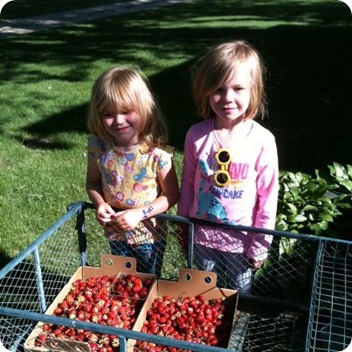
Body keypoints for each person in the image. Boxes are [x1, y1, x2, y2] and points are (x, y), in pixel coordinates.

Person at [178, 40, 279, 293]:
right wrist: (183, 226)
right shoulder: (196, 135)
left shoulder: (262, 141)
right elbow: (189, 183)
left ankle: (236, 332)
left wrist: (260, 244)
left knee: (240, 293)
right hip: (201, 236)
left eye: (238, 88)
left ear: (253, 90)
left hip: (241, 241)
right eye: (218, 89)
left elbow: (268, 197)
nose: (227, 98)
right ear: (206, 90)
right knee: (200, 292)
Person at [86, 66, 179, 276]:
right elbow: (92, 183)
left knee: (146, 282)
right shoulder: (98, 148)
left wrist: (139, 214)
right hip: (115, 231)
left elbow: (172, 195)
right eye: (108, 114)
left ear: (145, 109)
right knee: (122, 281)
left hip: (148, 236)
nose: (118, 120)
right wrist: (99, 204)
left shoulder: (157, 154)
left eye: (126, 112)